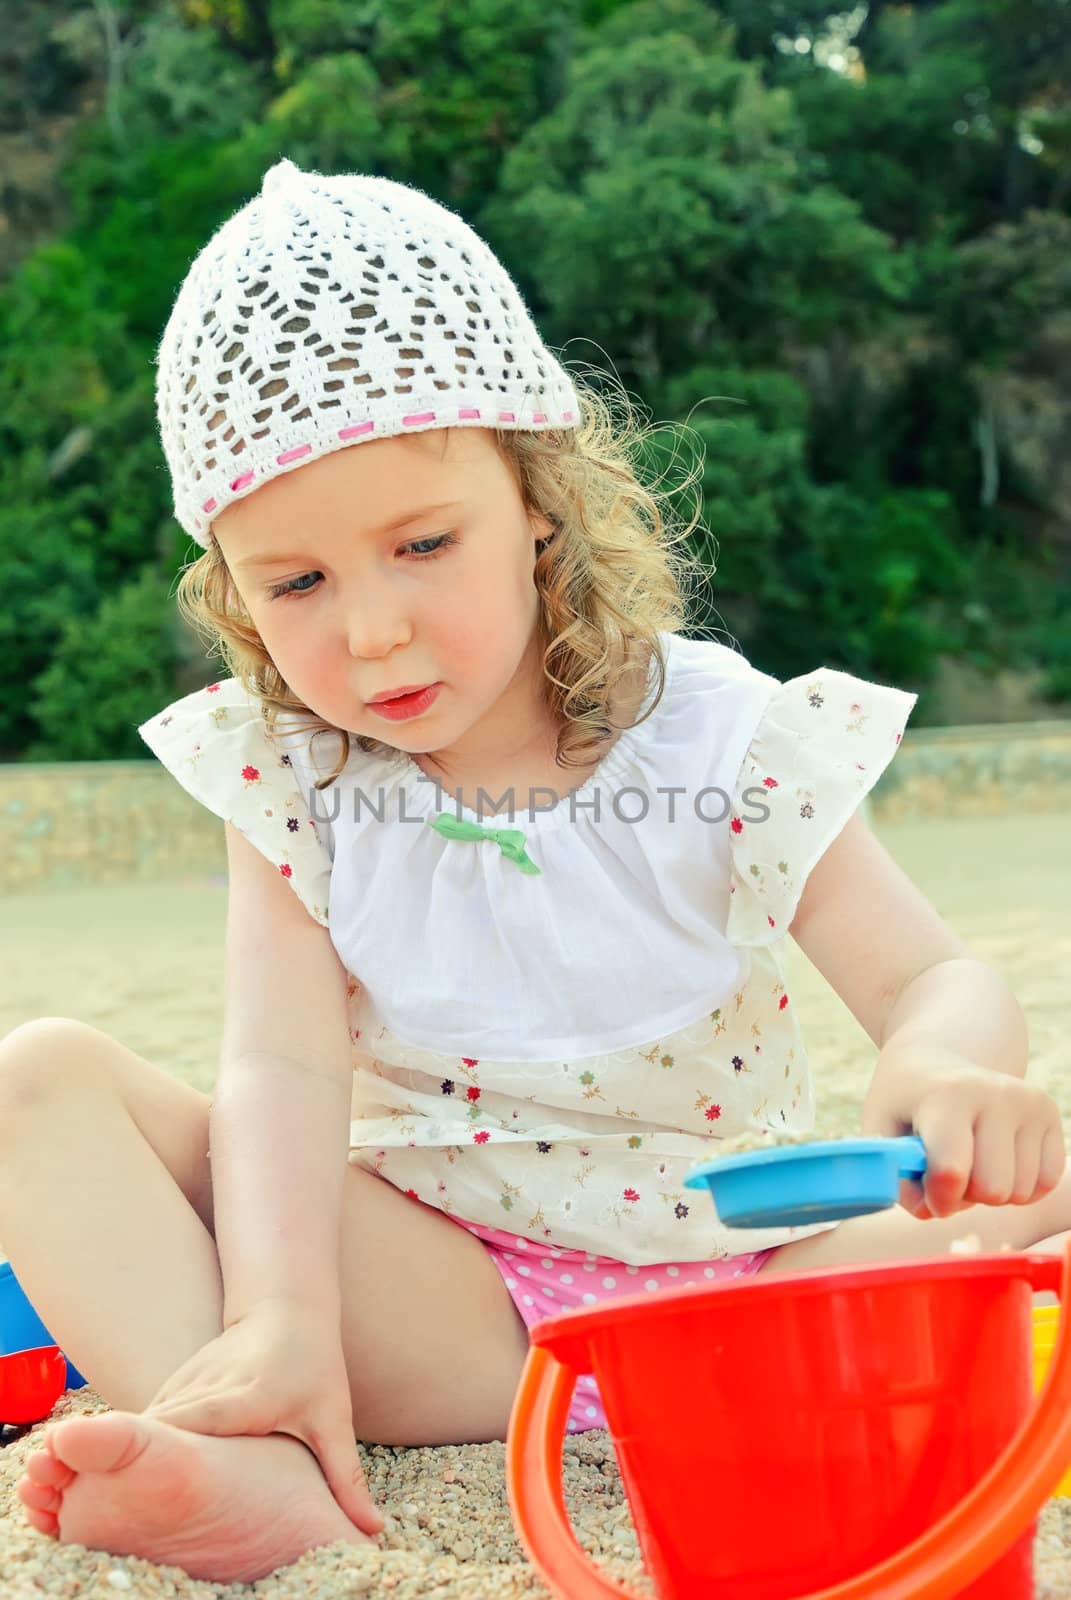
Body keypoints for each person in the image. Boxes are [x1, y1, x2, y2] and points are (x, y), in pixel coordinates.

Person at [2, 157, 1068, 1585]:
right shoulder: (295, 775)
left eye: (422, 545)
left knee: (1031, 1191)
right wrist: (283, 1314)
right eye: (296, 582)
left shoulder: (716, 736)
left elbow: (931, 974)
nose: (371, 631)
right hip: (455, 1318)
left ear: (540, 504)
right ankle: (265, 1450)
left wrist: (949, 1067)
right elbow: (283, 1076)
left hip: (763, 1285)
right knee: (36, 1090)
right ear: (233, 591)